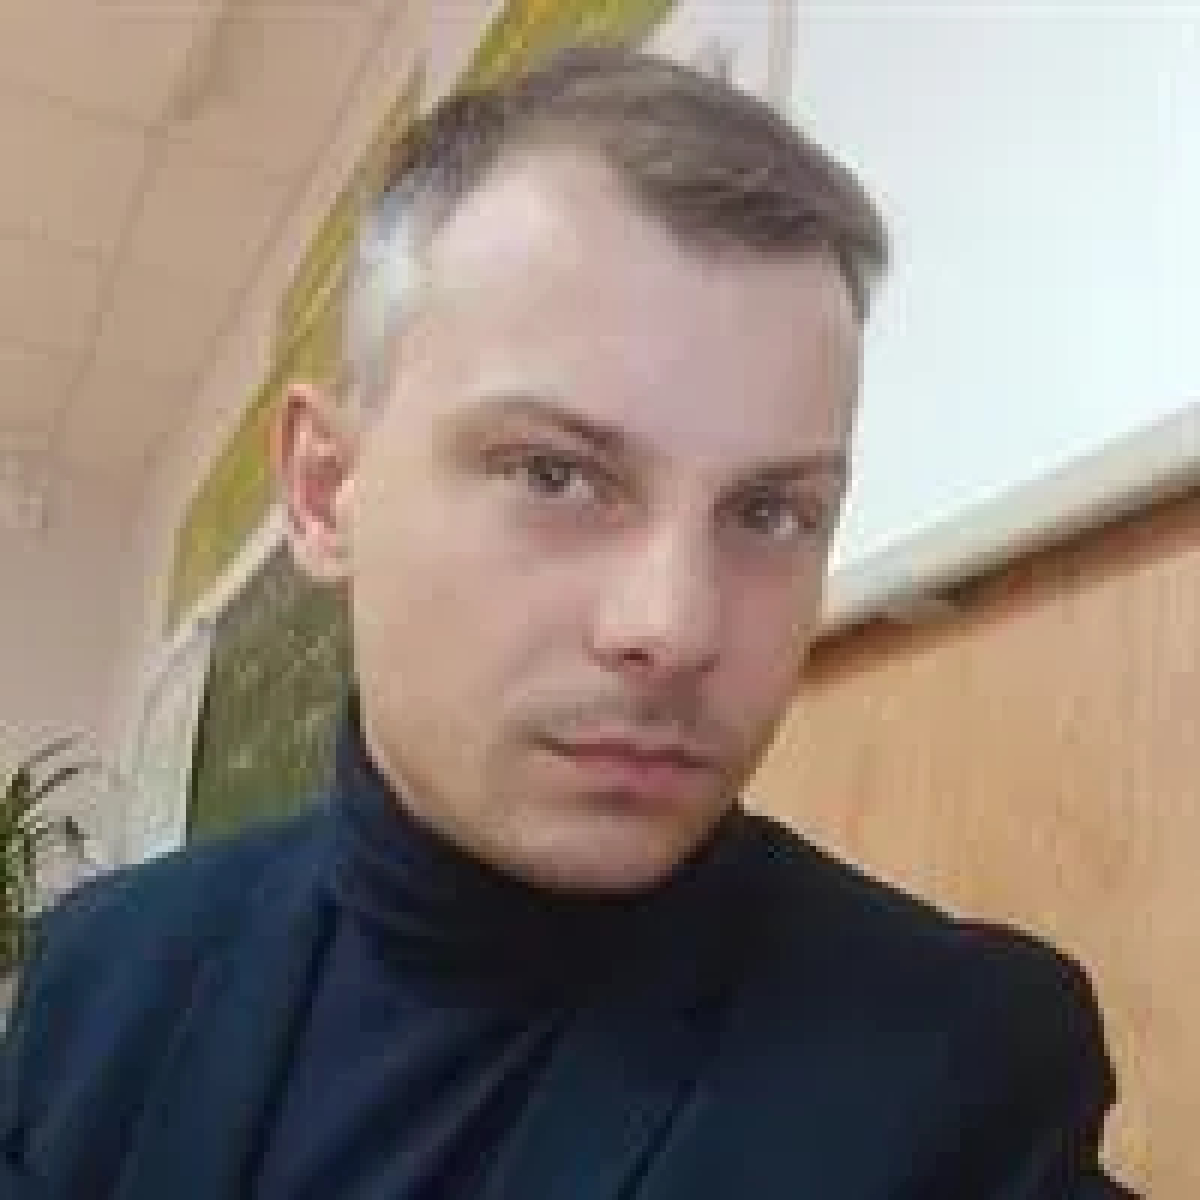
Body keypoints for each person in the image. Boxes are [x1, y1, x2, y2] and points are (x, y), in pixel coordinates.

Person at [0, 46, 1136, 1200]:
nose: (674, 627)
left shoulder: (949, 1074)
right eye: (557, 475)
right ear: (326, 491)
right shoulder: (103, 979)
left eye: (770, 511)